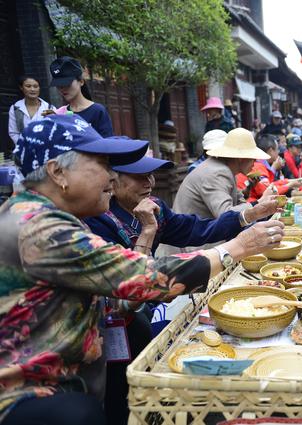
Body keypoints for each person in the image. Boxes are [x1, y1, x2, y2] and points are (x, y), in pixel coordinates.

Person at [0, 114, 285, 425]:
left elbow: (119, 292)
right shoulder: (39, 227)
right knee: (79, 415)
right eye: (103, 165)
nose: (111, 177)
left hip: (74, 370)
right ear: (58, 173)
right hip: (27, 390)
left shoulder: (46, 214)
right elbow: (144, 278)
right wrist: (236, 248)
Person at [84, 153, 275, 425]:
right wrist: (148, 234)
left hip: (146, 305)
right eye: (138, 176)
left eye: (150, 175)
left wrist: (248, 214)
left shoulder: (155, 207)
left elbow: (195, 230)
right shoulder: (98, 221)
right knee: (119, 389)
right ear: (112, 181)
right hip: (116, 317)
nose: (148, 182)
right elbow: (129, 283)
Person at [170, 128, 274, 225]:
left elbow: (238, 201)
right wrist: (260, 202)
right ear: (241, 158)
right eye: (253, 158)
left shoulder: (226, 170)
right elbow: (225, 215)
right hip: (192, 242)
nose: (255, 162)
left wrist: (254, 197)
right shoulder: (218, 172)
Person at [50, 56, 113, 137]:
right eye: (59, 85)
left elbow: (107, 143)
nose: (62, 88)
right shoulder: (59, 114)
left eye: (66, 83)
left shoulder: (98, 111)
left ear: (81, 81)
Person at [236, 134, 302, 202]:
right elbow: (266, 190)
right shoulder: (258, 165)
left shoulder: (262, 164)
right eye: (277, 149)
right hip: (249, 205)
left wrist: (289, 182)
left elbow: (269, 185)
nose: (278, 152)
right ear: (271, 150)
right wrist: (290, 184)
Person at [8, 76, 55, 145]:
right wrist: (24, 146)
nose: (32, 89)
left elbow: (55, 130)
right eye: (28, 86)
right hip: (25, 150)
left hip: (46, 149)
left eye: (35, 86)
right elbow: (14, 132)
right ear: (21, 88)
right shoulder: (15, 108)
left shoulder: (49, 108)